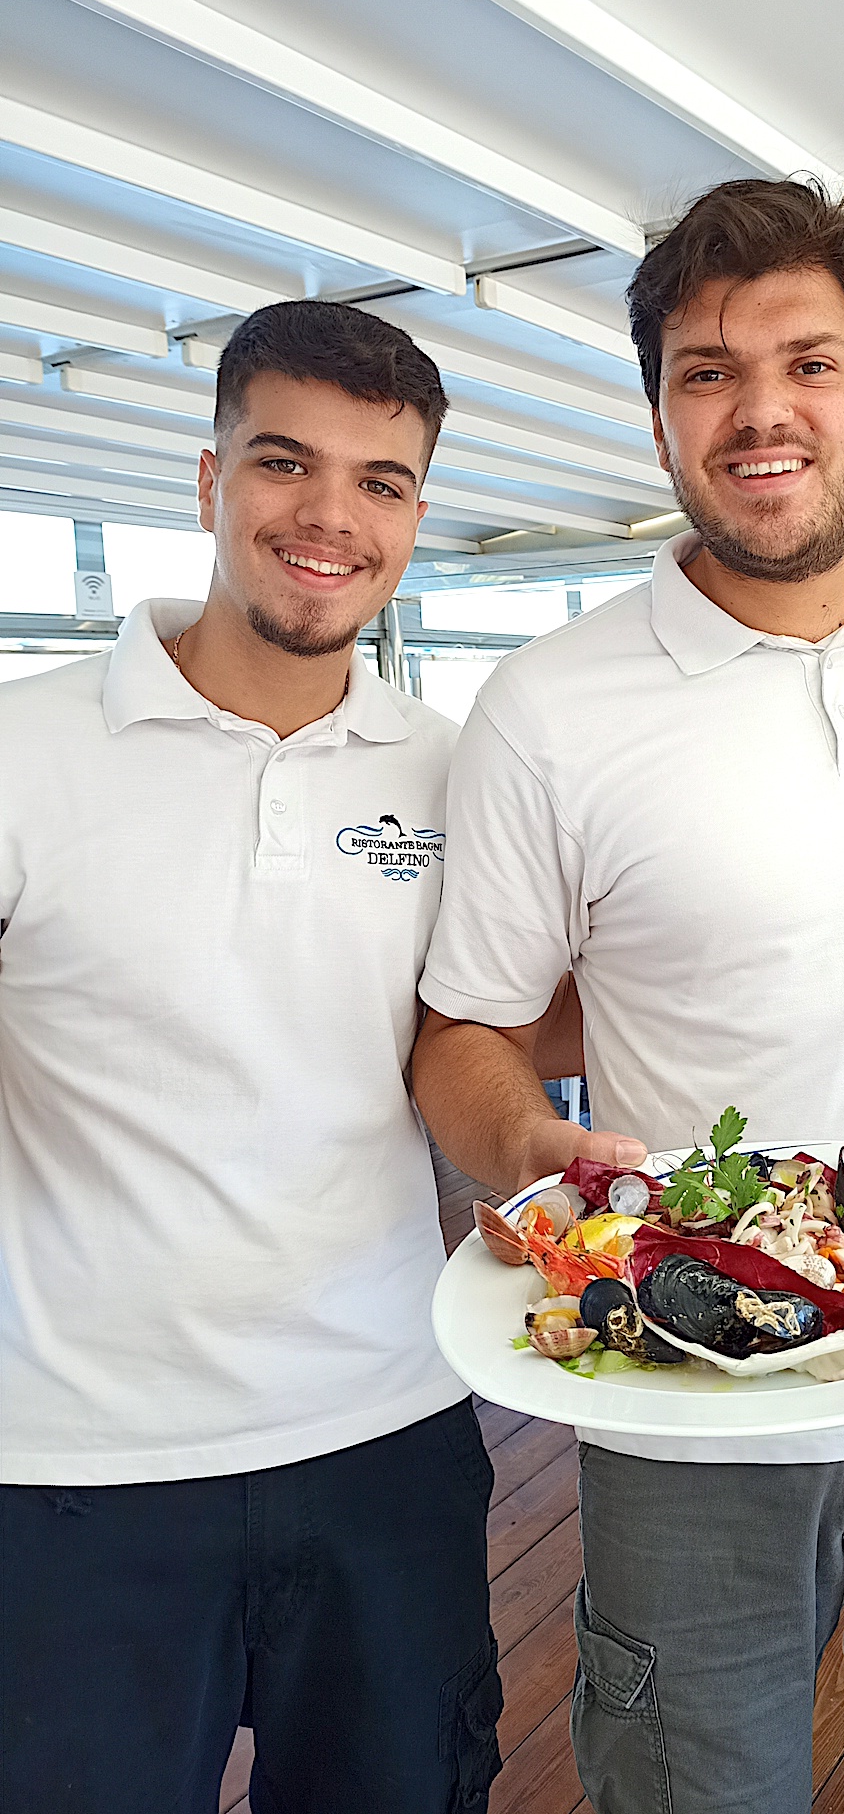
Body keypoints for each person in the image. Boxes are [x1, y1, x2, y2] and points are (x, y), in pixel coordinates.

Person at [412, 177, 844, 1814]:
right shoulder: (549, 705)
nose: (760, 412)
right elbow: (467, 1032)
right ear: (659, 419)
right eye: (707, 372)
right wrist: (527, 1152)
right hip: (685, 1379)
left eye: (809, 362)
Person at [0, 301, 503, 1814]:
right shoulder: (24, 752)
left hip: (388, 1425)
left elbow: (475, 1035)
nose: (330, 516)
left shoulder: (455, 771)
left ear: (416, 513)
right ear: (211, 478)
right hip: (70, 1459)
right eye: (286, 463)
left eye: (381, 481)